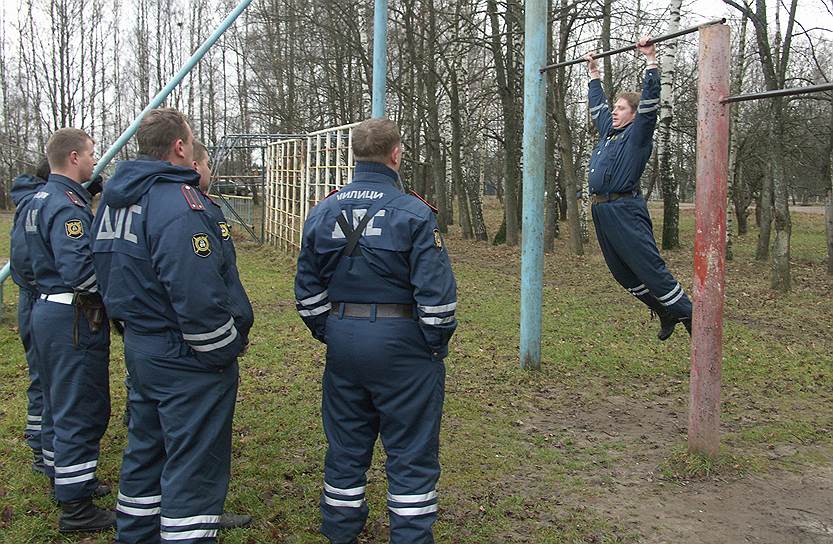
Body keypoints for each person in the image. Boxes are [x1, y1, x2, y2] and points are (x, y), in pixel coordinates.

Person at [91, 108, 251, 544]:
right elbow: (196, 290)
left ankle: (137, 533)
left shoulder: (114, 202)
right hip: (184, 354)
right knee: (193, 463)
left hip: (142, 345)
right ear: (180, 146)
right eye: (192, 138)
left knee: (146, 450)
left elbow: (101, 270)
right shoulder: (176, 204)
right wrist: (222, 349)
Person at [295, 117, 457, 544]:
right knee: (410, 453)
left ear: (353, 154)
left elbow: (306, 291)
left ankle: (340, 532)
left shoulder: (323, 210)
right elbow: (438, 302)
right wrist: (431, 347)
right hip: (403, 345)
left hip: (343, 340)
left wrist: (331, 331)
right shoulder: (415, 213)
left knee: (346, 447)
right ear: (396, 154)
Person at [24, 128, 114, 532]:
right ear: (74, 157)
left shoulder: (36, 199)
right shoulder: (65, 205)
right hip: (73, 318)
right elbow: (80, 270)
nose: (96, 162)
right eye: (92, 155)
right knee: (80, 406)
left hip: (44, 309)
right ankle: (77, 509)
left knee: (57, 401)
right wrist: (115, 295)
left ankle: (67, 479)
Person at [585, 37, 692, 340]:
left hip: (624, 209)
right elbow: (597, 107)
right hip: (602, 211)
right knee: (622, 273)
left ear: (633, 113)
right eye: (615, 108)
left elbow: (650, 104)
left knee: (649, 268)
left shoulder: (638, 134)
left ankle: (689, 313)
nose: (615, 112)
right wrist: (594, 75)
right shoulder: (608, 133)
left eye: (621, 108)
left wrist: (651, 60)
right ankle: (665, 310)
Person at [9, 157, 50, 475]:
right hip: (38, 302)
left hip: (39, 300)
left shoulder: (37, 201)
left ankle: (45, 443)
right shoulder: (35, 206)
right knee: (43, 379)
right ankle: (40, 447)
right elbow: (24, 261)